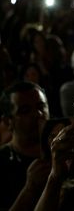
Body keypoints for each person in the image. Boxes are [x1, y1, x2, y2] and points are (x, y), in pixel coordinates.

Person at [0, 81, 49, 209]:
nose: (37, 114)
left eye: (41, 106)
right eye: (25, 110)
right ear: (8, 121)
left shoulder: (65, 154)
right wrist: (30, 189)